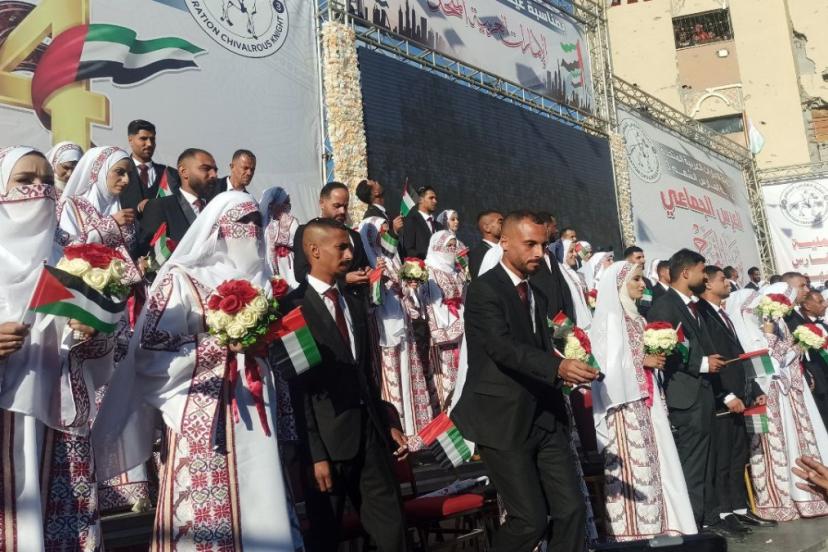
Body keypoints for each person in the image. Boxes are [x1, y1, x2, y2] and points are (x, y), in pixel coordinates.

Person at [94, 192, 301, 550]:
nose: (253, 230)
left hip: (258, 407)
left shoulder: (264, 280)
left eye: (258, 222)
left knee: (263, 495)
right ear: (219, 228)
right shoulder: (182, 278)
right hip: (207, 414)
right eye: (244, 222)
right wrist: (221, 345)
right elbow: (151, 347)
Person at [451, 210, 597, 552]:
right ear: (504, 242)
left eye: (543, 245)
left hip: (545, 417)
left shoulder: (537, 294)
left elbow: (540, 348)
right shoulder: (484, 290)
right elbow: (501, 347)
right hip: (503, 420)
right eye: (530, 244)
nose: (539, 253)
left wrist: (575, 365)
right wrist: (558, 367)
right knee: (529, 520)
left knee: (572, 510)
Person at [0, 146, 115, 550]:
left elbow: (105, 348)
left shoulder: (68, 259)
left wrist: (94, 332)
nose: (39, 190)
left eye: (47, 182)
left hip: (56, 416)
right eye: (24, 181)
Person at [283, 218, 408, 552]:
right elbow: (299, 390)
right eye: (341, 247)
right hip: (328, 443)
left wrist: (385, 420)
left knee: (392, 529)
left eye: (350, 247)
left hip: (371, 436)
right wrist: (315, 455)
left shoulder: (352, 301)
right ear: (314, 251)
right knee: (326, 538)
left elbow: (365, 372)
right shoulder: (293, 309)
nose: (350, 255)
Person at [590, 261, 697, 540]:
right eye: (636, 279)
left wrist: (650, 360)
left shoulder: (637, 318)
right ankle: (635, 533)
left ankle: (665, 524)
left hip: (647, 401)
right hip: (624, 406)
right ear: (619, 285)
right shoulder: (610, 319)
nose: (642, 284)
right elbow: (607, 369)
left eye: (642, 279)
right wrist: (642, 360)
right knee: (635, 468)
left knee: (659, 463)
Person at [725, 283, 828, 521]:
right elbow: (764, 361)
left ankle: (805, 496)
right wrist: (770, 336)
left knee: (795, 441)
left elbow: (782, 356)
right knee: (768, 446)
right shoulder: (751, 329)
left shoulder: (777, 322)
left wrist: (799, 346)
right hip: (763, 394)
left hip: (786, 394)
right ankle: (776, 500)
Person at [646, 249, 724, 530]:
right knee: (693, 462)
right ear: (686, 272)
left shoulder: (695, 306)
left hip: (703, 392)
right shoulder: (664, 306)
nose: (706, 277)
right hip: (684, 395)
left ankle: (710, 517)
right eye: (703, 271)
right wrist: (701, 363)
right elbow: (662, 349)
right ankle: (693, 523)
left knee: (708, 459)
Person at [697, 266, 775, 531]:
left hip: (741, 394)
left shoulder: (723, 314)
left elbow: (739, 357)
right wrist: (726, 394)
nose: (728, 282)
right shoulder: (702, 313)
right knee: (722, 458)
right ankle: (723, 512)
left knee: (738, 455)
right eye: (722, 279)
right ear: (708, 283)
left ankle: (740, 508)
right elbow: (711, 358)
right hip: (722, 398)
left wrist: (755, 390)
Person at [57, 146, 138, 262]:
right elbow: (66, 250)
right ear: (101, 170)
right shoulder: (72, 205)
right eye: (119, 172)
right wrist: (111, 224)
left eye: (129, 174)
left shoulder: (123, 206)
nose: (126, 180)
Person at [136, 148, 217, 257]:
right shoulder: (160, 207)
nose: (213, 175)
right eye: (205, 169)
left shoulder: (216, 210)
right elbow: (146, 256)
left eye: (215, 170)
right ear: (184, 172)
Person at [292, 182, 370, 287]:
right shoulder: (306, 232)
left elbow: (363, 265)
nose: (342, 211)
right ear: (322, 203)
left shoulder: (354, 236)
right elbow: (301, 274)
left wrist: (368, 272)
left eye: (345, 206)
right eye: (337, 206)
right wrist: (343, 279)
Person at [423, 230, 466, 409]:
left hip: (461, 322)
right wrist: (455, 326)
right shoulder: (429, 271)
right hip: (445, 327)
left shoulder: (458, 270)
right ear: (438, 247)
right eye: (448, 246)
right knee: (446, 378)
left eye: (454, 246)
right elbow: (433, 303)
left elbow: (464, 296)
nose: (452, 249)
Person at [785, 287, 828, 427]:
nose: (825, 304)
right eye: (820, 302)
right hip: (817, 381)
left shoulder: (821, 324)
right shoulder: (795, 323)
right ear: (807, 306)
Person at [120, 119, 171, 216]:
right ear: (130, 140)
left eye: (152, 139)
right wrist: (138, 208)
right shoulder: (119, 173)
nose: (149, 144)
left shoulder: (167, 173)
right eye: (143, 139)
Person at [260, 186, 300, 291]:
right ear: (274, 204)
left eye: (289, 203)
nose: (288, 206)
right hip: (267, 266)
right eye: (285, 202)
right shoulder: (263, 224)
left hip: (287, 266)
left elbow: (297, 241)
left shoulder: (291, 221)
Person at [559, 239, 593, 329]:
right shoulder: (561, 275)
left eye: (575, 251)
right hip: (574, 325)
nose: (575, 254)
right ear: (562, 253)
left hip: (587, 319)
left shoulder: (573, 272)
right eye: (571, 251)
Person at [401, 185, 441, 259]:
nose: (435, 201)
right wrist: (428, 259)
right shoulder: (412, 221)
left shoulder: (439, 226)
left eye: (435, 198)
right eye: (431, 198)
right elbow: (408, 250)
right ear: (420, 200)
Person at [468, 210, 502, 280]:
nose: (506, 225)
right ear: (487, 228)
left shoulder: (506, 248)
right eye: (500, 222)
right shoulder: (477, 254)